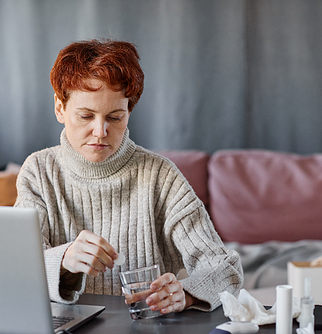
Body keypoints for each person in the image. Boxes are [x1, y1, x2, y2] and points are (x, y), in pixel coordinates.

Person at [14, 39, 243, 314]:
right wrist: (62, 259)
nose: (100, 131)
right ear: (60, 108)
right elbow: (16, 266)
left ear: (129, 111)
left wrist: (187, 293)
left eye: (115, 117)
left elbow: (224, 268)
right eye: (86, 116)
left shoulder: (160, 176)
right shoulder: (38, 172)